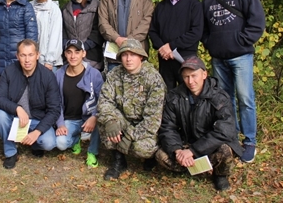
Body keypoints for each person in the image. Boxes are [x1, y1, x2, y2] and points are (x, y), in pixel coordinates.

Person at [201, 0, 265, 163]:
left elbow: (257, 22)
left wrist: (241, 41)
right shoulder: (207, 0)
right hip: (219, 58)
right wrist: (211, 44)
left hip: (241, 56)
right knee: (225, 100)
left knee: (245, 98)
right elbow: (203, 29)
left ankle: (250, 140)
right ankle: (231, 136)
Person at [155, 56, 244, 191]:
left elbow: (225, 131)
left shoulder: (219, 97)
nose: (190, 81)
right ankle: (189, 167)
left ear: (204, 74)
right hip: (186, 143)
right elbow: (168, 127)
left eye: (194, 76)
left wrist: (193, 151)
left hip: (208, 146)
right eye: (186, 77)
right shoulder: (174, 96)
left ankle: (219, 175)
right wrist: (178, 150)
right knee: (160, 155)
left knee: (225, 151)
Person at [97, 38, 166, 180]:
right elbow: (105, 100)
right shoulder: (115, 74)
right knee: (107, 129)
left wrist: (130, 135)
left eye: (133, 55)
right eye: (124, 55)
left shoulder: (153, 78)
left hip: (144, 125)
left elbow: (153, 119)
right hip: (123, 120)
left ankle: (149, 158)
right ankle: (118, 160)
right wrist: (111, 121)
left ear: (141, 56)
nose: (128, 59)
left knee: (143, 149)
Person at [0, 39, 61, 169]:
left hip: (37, 119)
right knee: (0, 115)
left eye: (30, 55)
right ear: (17, 56)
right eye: (23, 55)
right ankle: (11, 152)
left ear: (37, 55)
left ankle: (34, 143)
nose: (27, 60)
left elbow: (54, 109)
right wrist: (17, 108)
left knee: (49, 143)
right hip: (16, 119)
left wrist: (38, 131)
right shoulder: (10, 71)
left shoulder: (47, 76)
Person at [149, 0, 203, 91]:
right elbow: (153, 31)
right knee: (167, 95)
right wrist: (163, 48)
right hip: (165, 60)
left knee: (188, 94)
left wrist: (171, 46)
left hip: (186, 59)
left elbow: (196, 32)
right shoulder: (161, 6)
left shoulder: (193, 4)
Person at [55, 39, 103, 168]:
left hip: (89, 117)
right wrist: (60, 123)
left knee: (101, 119)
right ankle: (76, 139)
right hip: (70, 119)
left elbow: (103, 100)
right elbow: (56, 102)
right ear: (65, 54)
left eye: (77, 52)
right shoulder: (59, 75)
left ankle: (92, 152)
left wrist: (94, 116)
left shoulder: (94, 74)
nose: (73, 56)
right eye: (69, 52)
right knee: (61, 143)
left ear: (84, 53)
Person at [98, 0, 154, 71]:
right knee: (114, 87)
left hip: (137, 54)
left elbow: (147, 22)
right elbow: (103, 23)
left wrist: (129, 41)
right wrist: (117, 39)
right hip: (115, 55)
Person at [62, 0, 103, 70]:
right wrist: (69, 47)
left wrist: (82, 47)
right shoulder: (66, 8)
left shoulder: (97, 5)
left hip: (90, 56)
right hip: (71, 56)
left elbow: (98, 30)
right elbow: (63, 31)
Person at [30, 0, 63, 71]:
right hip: (31, 60)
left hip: (48, 62)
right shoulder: (29, 7)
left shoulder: (54, 9)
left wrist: (49, 60)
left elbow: (55, 35)